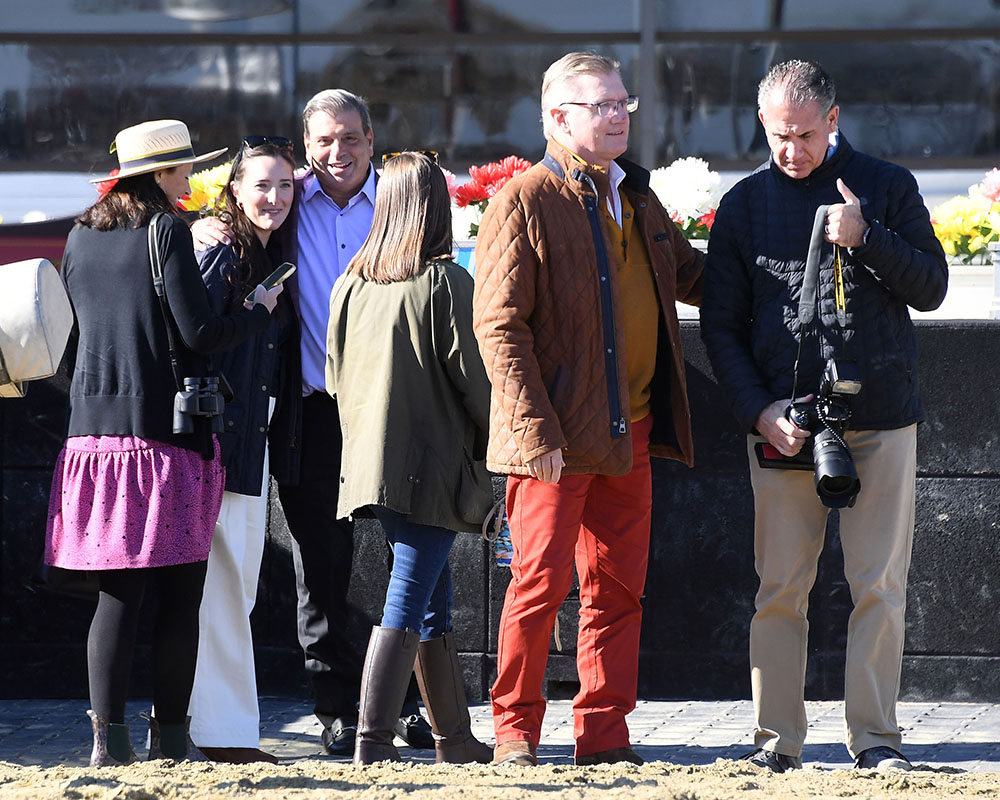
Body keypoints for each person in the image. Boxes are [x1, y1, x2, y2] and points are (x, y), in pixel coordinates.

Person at [700, 59, 948, 773]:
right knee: (779, 589)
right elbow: (722, 326)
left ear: (833, 122)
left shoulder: (888, 185)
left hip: (883, 416)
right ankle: (775, 743)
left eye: (806, 135)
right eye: (780, 135)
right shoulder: (743, 205)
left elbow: (931, 287)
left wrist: (867, 237)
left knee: (880, 586)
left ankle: (876, 741)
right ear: (761, 123)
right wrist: (758, 410)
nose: (792, 150)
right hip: (785, 423)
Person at [473, 52, 705, 767]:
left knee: (617, 591)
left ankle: (603, 738)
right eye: (598, 105)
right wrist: (534, 429)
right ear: (556, 118)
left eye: (621, 104)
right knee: (538, 587)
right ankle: (515, 733)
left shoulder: (636, 197)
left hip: (629, 430)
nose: (615, 116)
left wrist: (783, 256)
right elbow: (498, 325)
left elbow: (694, 275)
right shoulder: (524, 200)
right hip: (554, 440)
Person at [191, 89, 432, 755]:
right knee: (320, 568)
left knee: (406, 559)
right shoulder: (288, 198)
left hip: (395, 409)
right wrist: (200, 226)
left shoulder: (402, 199)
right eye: (324, 140)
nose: (338, 152)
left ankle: (412, 703)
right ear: (306, 145)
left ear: (371, 137)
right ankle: (334, 706)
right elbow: (239, 220)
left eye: (350, 137)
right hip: (313, 413)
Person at [44, 119, 282, 767]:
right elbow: (199, 332)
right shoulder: (166, 231)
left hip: (92, 441)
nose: (188, 180)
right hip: (165, 443)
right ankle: (172, 741)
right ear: (162, 174)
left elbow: (69, 336)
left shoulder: (80, 236)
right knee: (180, 596)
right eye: (182, 170)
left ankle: (106, 743)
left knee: (117, 597)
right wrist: (257, 311)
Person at [326, 151, 493, 766]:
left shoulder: (350, 282)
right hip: (432, 465)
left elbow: (335, 374)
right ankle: (373, 741)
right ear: (435, 207)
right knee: (409, 596)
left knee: (430, 598)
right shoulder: (445, 282)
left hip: (369, 465)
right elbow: (476, 383)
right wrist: (507, 441)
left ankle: (453, 737)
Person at [187, 136, 297, 764]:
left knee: (234, 588)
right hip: (218, 445)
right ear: (233, 187)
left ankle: (213, 726)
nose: (275, 197)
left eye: (284, 186)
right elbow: (194, 336)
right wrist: (256, 312)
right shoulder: (222, 251)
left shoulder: (258, 252)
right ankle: (223, 734)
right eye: (261, 184)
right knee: (225, 588)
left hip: (243, 442)